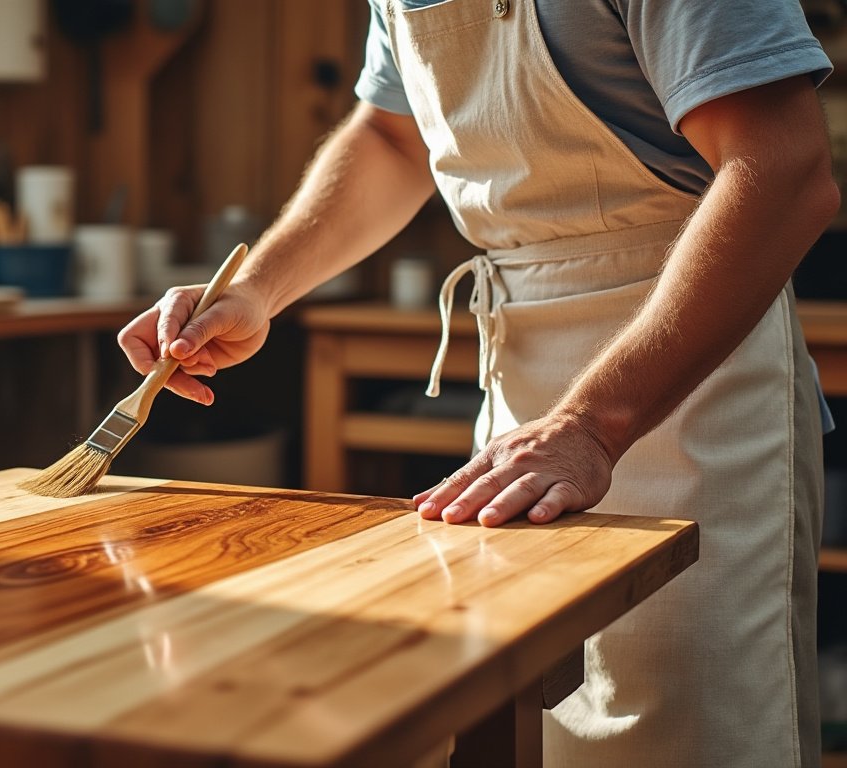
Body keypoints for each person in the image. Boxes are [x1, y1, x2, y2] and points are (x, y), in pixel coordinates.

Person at [117, 1, 840, 766]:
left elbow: (785, 168)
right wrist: (258, 288)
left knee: (694, 727)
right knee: (543, 726)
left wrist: (592, 423)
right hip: (521, 401)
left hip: (696, 387)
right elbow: (393, 139)